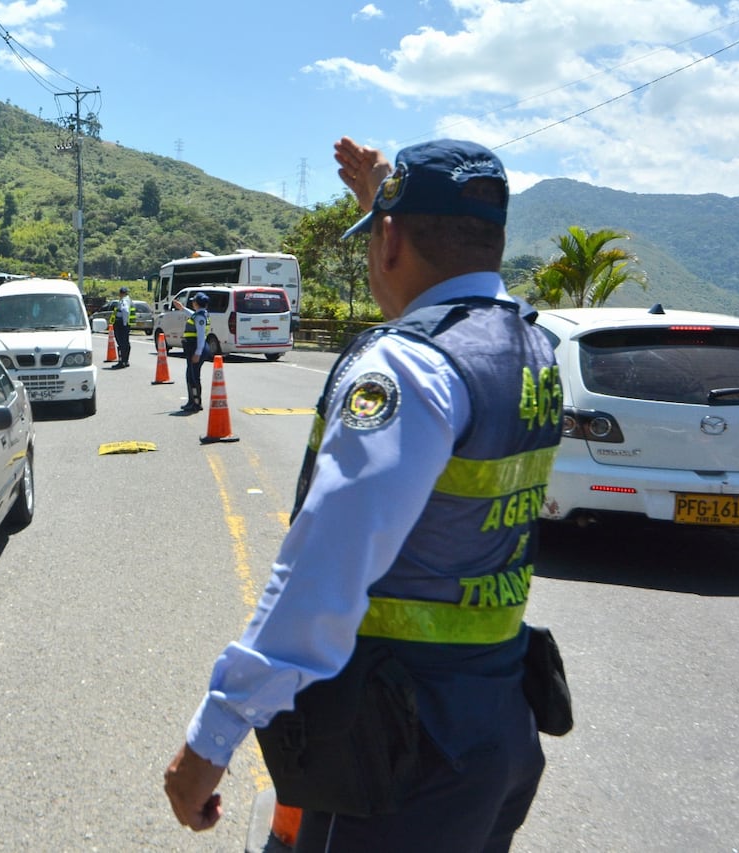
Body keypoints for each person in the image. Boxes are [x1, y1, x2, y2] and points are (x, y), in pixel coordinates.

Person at [163, 138, 563, 851]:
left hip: (400, 749)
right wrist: (387, 198)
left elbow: (322, 574)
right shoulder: (530, 347)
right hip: (496, 724)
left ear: (388, 243)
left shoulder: (411, 367)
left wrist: (210, 740)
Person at [175, 291, 211, 412]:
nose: (193, 303)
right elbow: (193, 315)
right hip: (194, 347)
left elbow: (201, 336)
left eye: (194, 301)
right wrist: (182, 308)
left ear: (197, 303)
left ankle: (196, 403)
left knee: (194, 377)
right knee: (190, 375)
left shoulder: (200, 316)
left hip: (196, 348)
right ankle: (192, 401)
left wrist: (197, 353)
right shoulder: (200, 314)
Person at [111, 285, 135, 368]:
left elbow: (125, 311)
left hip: (121, 324)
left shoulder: (124, 301)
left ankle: (122, 362)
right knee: (125, 343)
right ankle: (125, 361)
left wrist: (124, 323)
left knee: (121, 343)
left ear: (121, 293)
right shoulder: (129, 300)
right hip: (125, 324)